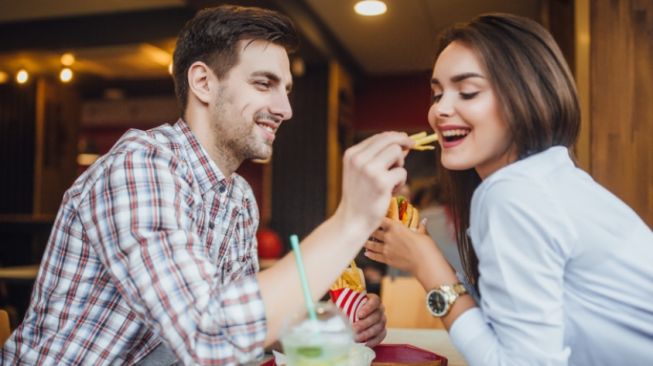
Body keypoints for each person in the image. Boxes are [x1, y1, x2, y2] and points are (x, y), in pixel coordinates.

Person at [1, 5, 413, 365]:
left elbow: (240, 333)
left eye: (286, 90)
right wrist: (351, 221)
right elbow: (207, 337)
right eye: (263, 84)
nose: (285, 109)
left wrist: (330, 325)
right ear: (203, 83)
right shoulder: (139, 166)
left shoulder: (238, 198)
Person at [364, 13, 653, 366]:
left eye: (467, 91)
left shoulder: (513, 193)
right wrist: (425, 257)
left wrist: (426, 265)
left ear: (525, 95)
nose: (439, 109)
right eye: (437, 94)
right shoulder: (550, 178)